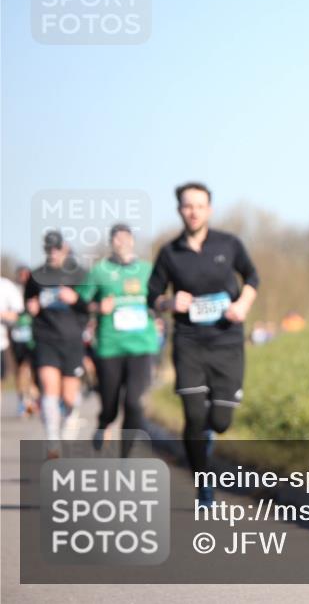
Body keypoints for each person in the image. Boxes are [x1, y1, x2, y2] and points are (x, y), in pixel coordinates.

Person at [147, 182, 259, 506]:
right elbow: (152, 297)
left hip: (227, 340)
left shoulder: (229, 244)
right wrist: (170, 303)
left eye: (199, 205)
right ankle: (203, 483)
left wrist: (243, 305)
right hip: (189, 342)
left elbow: (252, 277)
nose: (193, 212)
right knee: (194, 416)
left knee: (220, 422)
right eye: (187, 206)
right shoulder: (169, 253)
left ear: (209, 209)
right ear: (180, 210)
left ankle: (208, 438)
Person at [77, 224, 160, 457]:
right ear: (111, 243)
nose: (122, 242)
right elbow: (80, 302)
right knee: (110, 405)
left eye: (126, 237)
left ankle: (125, 453)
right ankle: (104, 423)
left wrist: (159, 312)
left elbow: (159, 298)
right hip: (110, 347)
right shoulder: (99, 271)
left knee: (134, 402)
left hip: (142, 346)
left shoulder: (147, 270)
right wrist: (97, 307)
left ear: (132, 241)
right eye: (117, 238)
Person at [24, 232, 89, 457]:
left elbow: (90, 305)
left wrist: (76, 299)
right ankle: (52, 440)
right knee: (49, 388)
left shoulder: (79, 274)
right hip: (46, 338)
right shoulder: (36, 275)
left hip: (72, 340)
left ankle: (71, 417)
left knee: (69, 397)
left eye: (56, 248)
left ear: (65, 248)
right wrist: (31, 307)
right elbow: (28, 302)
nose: (53, 252)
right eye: (48, 248)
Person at [8, 267, 38, 417]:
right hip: (18, 337)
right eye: (21, 275)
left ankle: (33, 399)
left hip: (33, 337)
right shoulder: (14, 291)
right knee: (20, 369)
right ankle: (23, 400)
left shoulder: (35, 290)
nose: (24, 277)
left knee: (32, 368)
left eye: (27, 275)